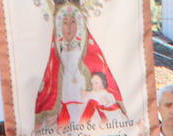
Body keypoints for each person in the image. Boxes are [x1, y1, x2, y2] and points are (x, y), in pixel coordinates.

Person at [34, 0, 122, 128]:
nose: (69, 28)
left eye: (73, 22)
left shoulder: (89, 52)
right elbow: (49, 89)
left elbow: (104, 82)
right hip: (63, 114)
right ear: (59, 25)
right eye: (65, 23)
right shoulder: (55, 56)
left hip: (88, 113)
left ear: (79, 24)